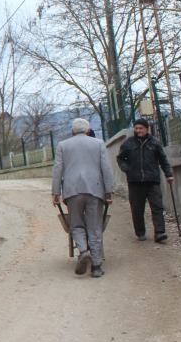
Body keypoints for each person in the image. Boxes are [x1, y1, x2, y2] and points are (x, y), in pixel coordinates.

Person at [52, 118, 115, 278]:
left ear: (72, 131)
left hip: (72, 190)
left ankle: (83, 250)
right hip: (95, 189)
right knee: (94, 227)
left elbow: (57, 170)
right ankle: (96, 266)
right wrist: (109, 190)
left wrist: (56, 192)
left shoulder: (62, 145)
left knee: (77, 225)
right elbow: (106, 168)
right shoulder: (98, 143)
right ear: (88, 131)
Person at [116, 117, 174, 243]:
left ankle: (159, 232)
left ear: (147, 129)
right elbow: (120, 158)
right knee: (137, 209)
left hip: (152, 180)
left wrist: (168, 174)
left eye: (140, 128)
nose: (138, 131)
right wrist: (127, 169)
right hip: (135, 181)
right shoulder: (128, 143)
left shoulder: (155, 143)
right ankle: (140, 232)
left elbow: (163, 160)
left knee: (157, 207)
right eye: (136, 128)